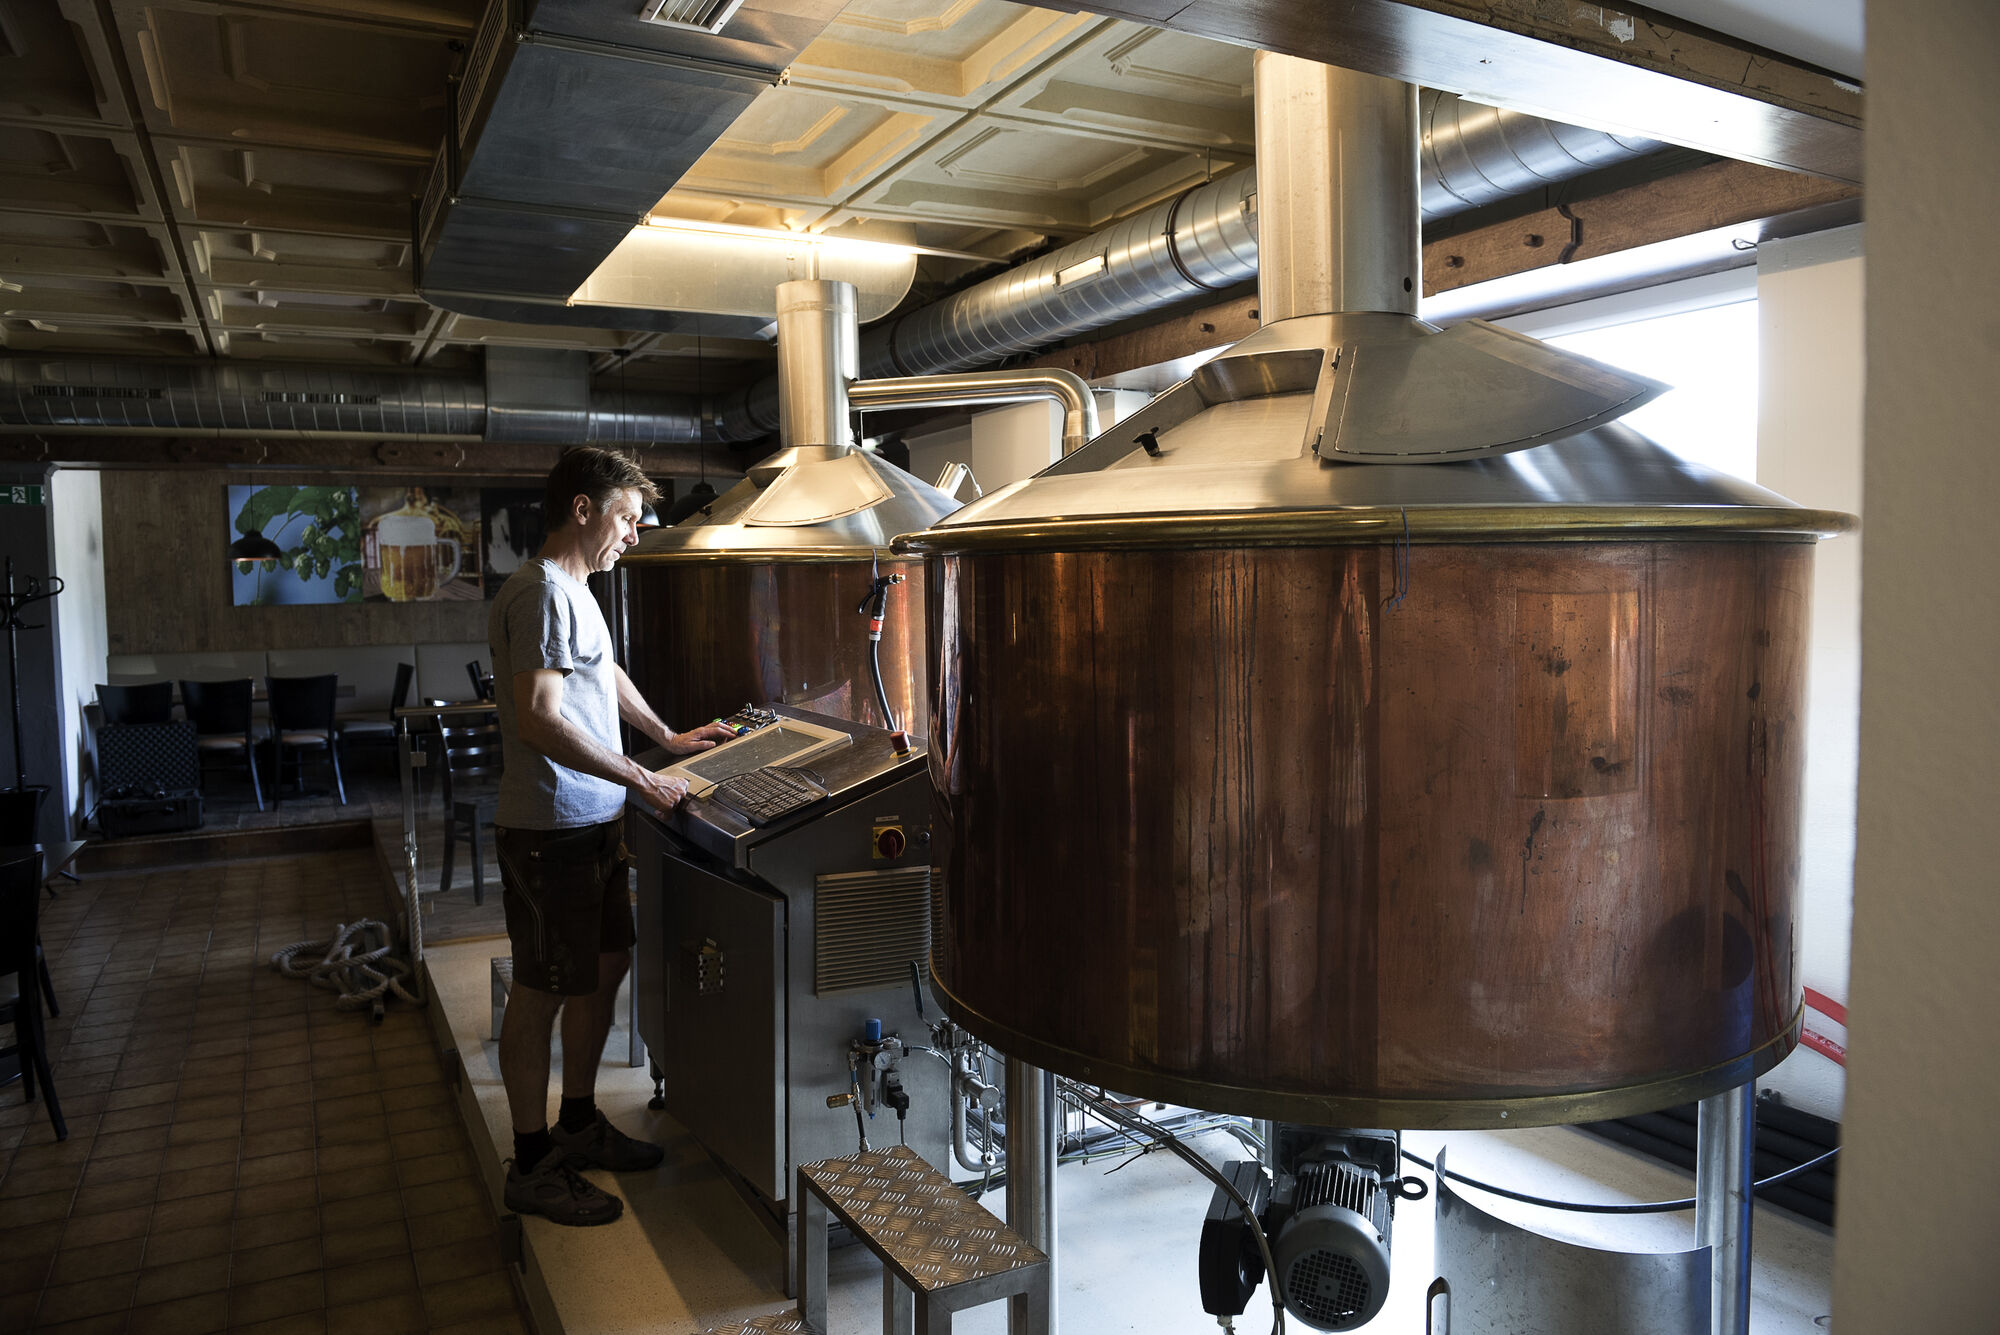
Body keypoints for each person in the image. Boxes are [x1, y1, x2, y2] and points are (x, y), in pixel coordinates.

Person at [489, 446, 736, 1226]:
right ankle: (531, 1161)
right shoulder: (540, 592)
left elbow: (605, 674)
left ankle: (577, 1120)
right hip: (550, 828)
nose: (634, 533)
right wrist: (638, 776)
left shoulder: (578, 589)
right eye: (627, 518)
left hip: (592, 824)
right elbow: (539, 719)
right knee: (540, 990)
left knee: (604, 967)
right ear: (584, 509)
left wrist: (668, 735)